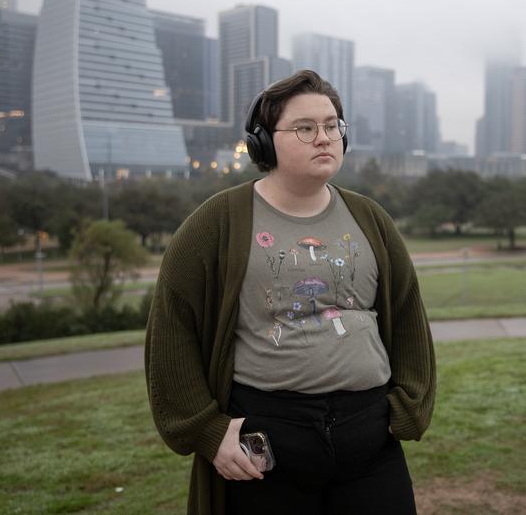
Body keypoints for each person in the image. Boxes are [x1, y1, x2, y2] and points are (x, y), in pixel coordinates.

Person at [145, 69, 436, 514]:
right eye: (305, 128)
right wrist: (206, 430)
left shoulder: (369, 217)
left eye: (332, 125)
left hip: (370, 439)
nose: (323, 137)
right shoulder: (218, 221)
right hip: (269, 447)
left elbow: (407, 310)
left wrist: (408, 403)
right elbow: (172, 323)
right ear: (263, 143)